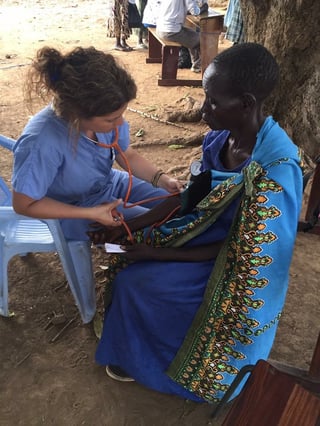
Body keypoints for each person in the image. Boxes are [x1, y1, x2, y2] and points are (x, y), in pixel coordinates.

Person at [91, 42, 303, 403]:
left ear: (248, 103)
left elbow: (244, 257)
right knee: (128, 267)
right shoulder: (222, 139)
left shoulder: (275, 172)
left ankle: (171, 367)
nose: (205, 110)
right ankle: (136, 350)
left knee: (142, 283)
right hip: (202, 235)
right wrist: (134, 228)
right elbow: (192, 198)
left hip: (233, 269)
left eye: (214, 103)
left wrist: (154, 255)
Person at [11, 46, 183, 320]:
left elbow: (126, 154)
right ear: (78, 113)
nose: (120, 123)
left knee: (178, 206)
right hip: (69, 209)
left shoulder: (106, 119)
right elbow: (23, 203)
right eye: (111, 119)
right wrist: (90, 214)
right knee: (156, 232)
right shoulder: (42, 141)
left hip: (107, 184)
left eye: (122, 114)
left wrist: (162, 179)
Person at [156, 0, 207, 73]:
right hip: (171, 31)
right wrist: (204, 7)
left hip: (161, 28)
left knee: (192, 35)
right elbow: (195, 11)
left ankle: (196, 65)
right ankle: (198, 66)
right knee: (204, 40)